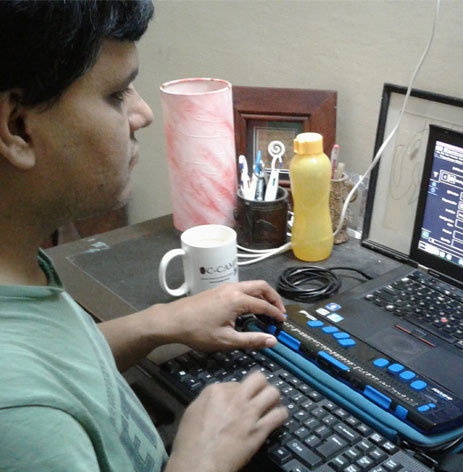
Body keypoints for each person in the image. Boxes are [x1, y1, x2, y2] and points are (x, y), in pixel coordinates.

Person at [0, 1, 288, 471]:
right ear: (17, 128)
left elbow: (59, 365)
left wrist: (159, 323)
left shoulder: (18, 273)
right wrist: (200, 461)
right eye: (116, 94)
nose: (143, 113)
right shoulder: (19, 420)